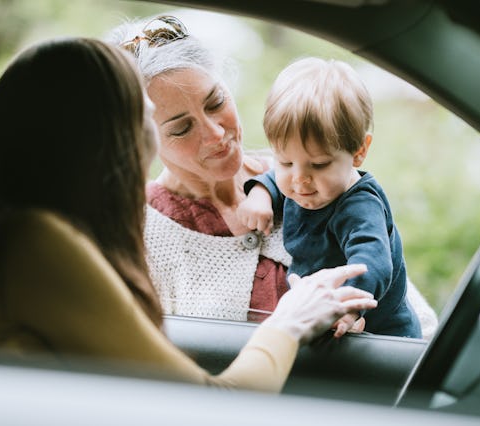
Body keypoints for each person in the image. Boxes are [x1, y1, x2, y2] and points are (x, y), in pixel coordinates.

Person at [0, 37, 377, 392]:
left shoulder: (8, 237)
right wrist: (289, 321)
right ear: (106, 146)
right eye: (156, 123)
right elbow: (209, 408)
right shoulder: (31, 245)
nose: (214, 133)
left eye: (216, 101)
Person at [107, 15, 437, 338]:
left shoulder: (307, 174)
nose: (215, 133)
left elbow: (405, 303)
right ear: (142, 137)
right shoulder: (139, 231)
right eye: (182, 128)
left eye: (216, 102)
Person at [238, 57, 421, 338]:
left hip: (382, 336)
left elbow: (371, 261)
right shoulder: (301, 180)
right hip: (320, 316)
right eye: (286, 162)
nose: (299, 178)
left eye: (319, 164)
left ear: (359, 151)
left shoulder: (360, 206)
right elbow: (275, 177)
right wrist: (261, 193)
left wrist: (347, 306)